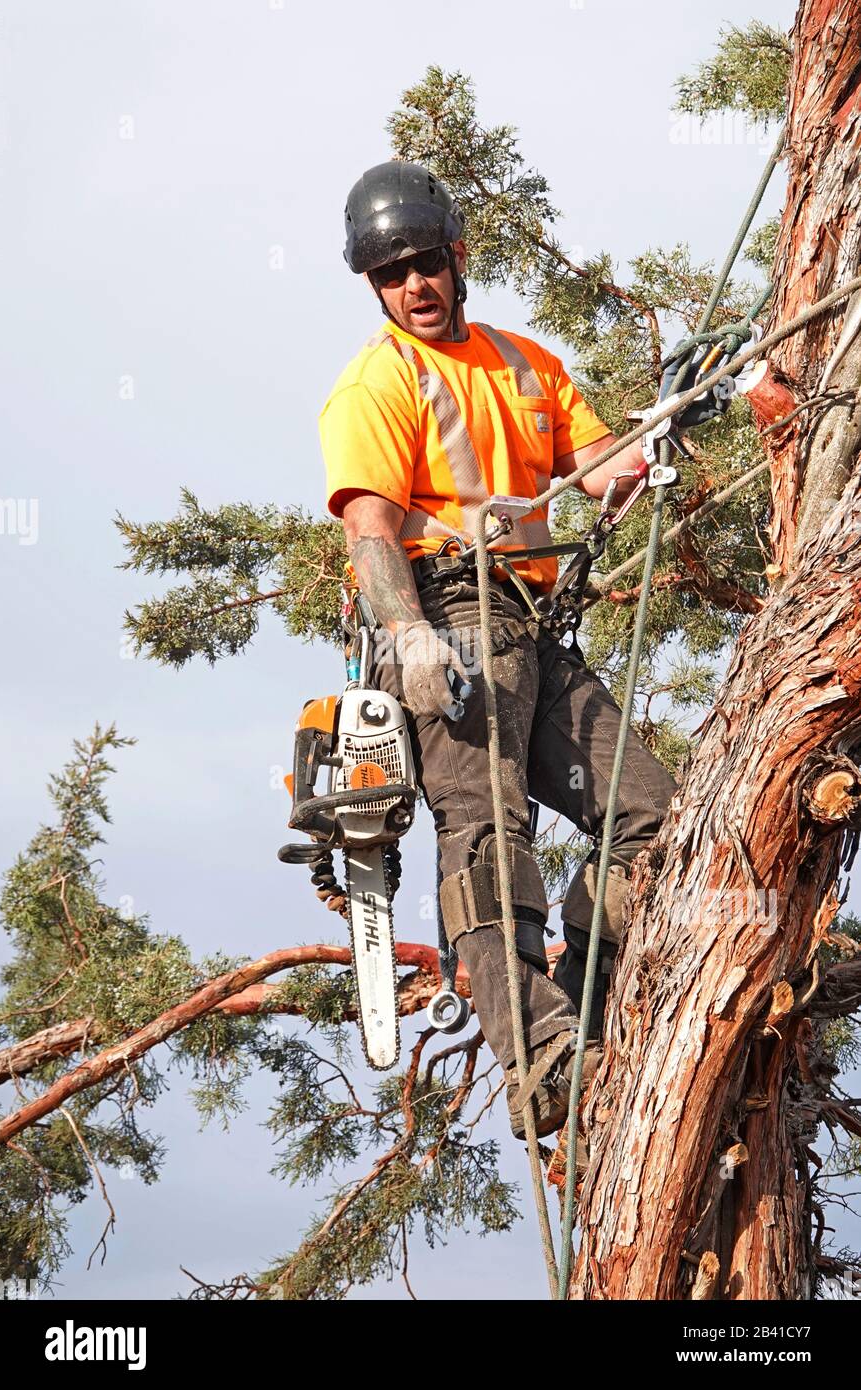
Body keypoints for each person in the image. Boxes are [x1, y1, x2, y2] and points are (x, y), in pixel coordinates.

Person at [319, 160, 698, 1140]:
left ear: (454, 255)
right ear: (373, 284)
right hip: (446, 614)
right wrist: (405, 640)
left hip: (532, 627)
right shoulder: (379, 379)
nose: (412, 285)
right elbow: (368, 528)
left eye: (423, 262)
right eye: (390, 272)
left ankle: (588, 995)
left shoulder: (525, 364)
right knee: (487, 839)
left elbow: (598, 463)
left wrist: (657, 441)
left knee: (656, 819)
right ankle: (545, 1063)